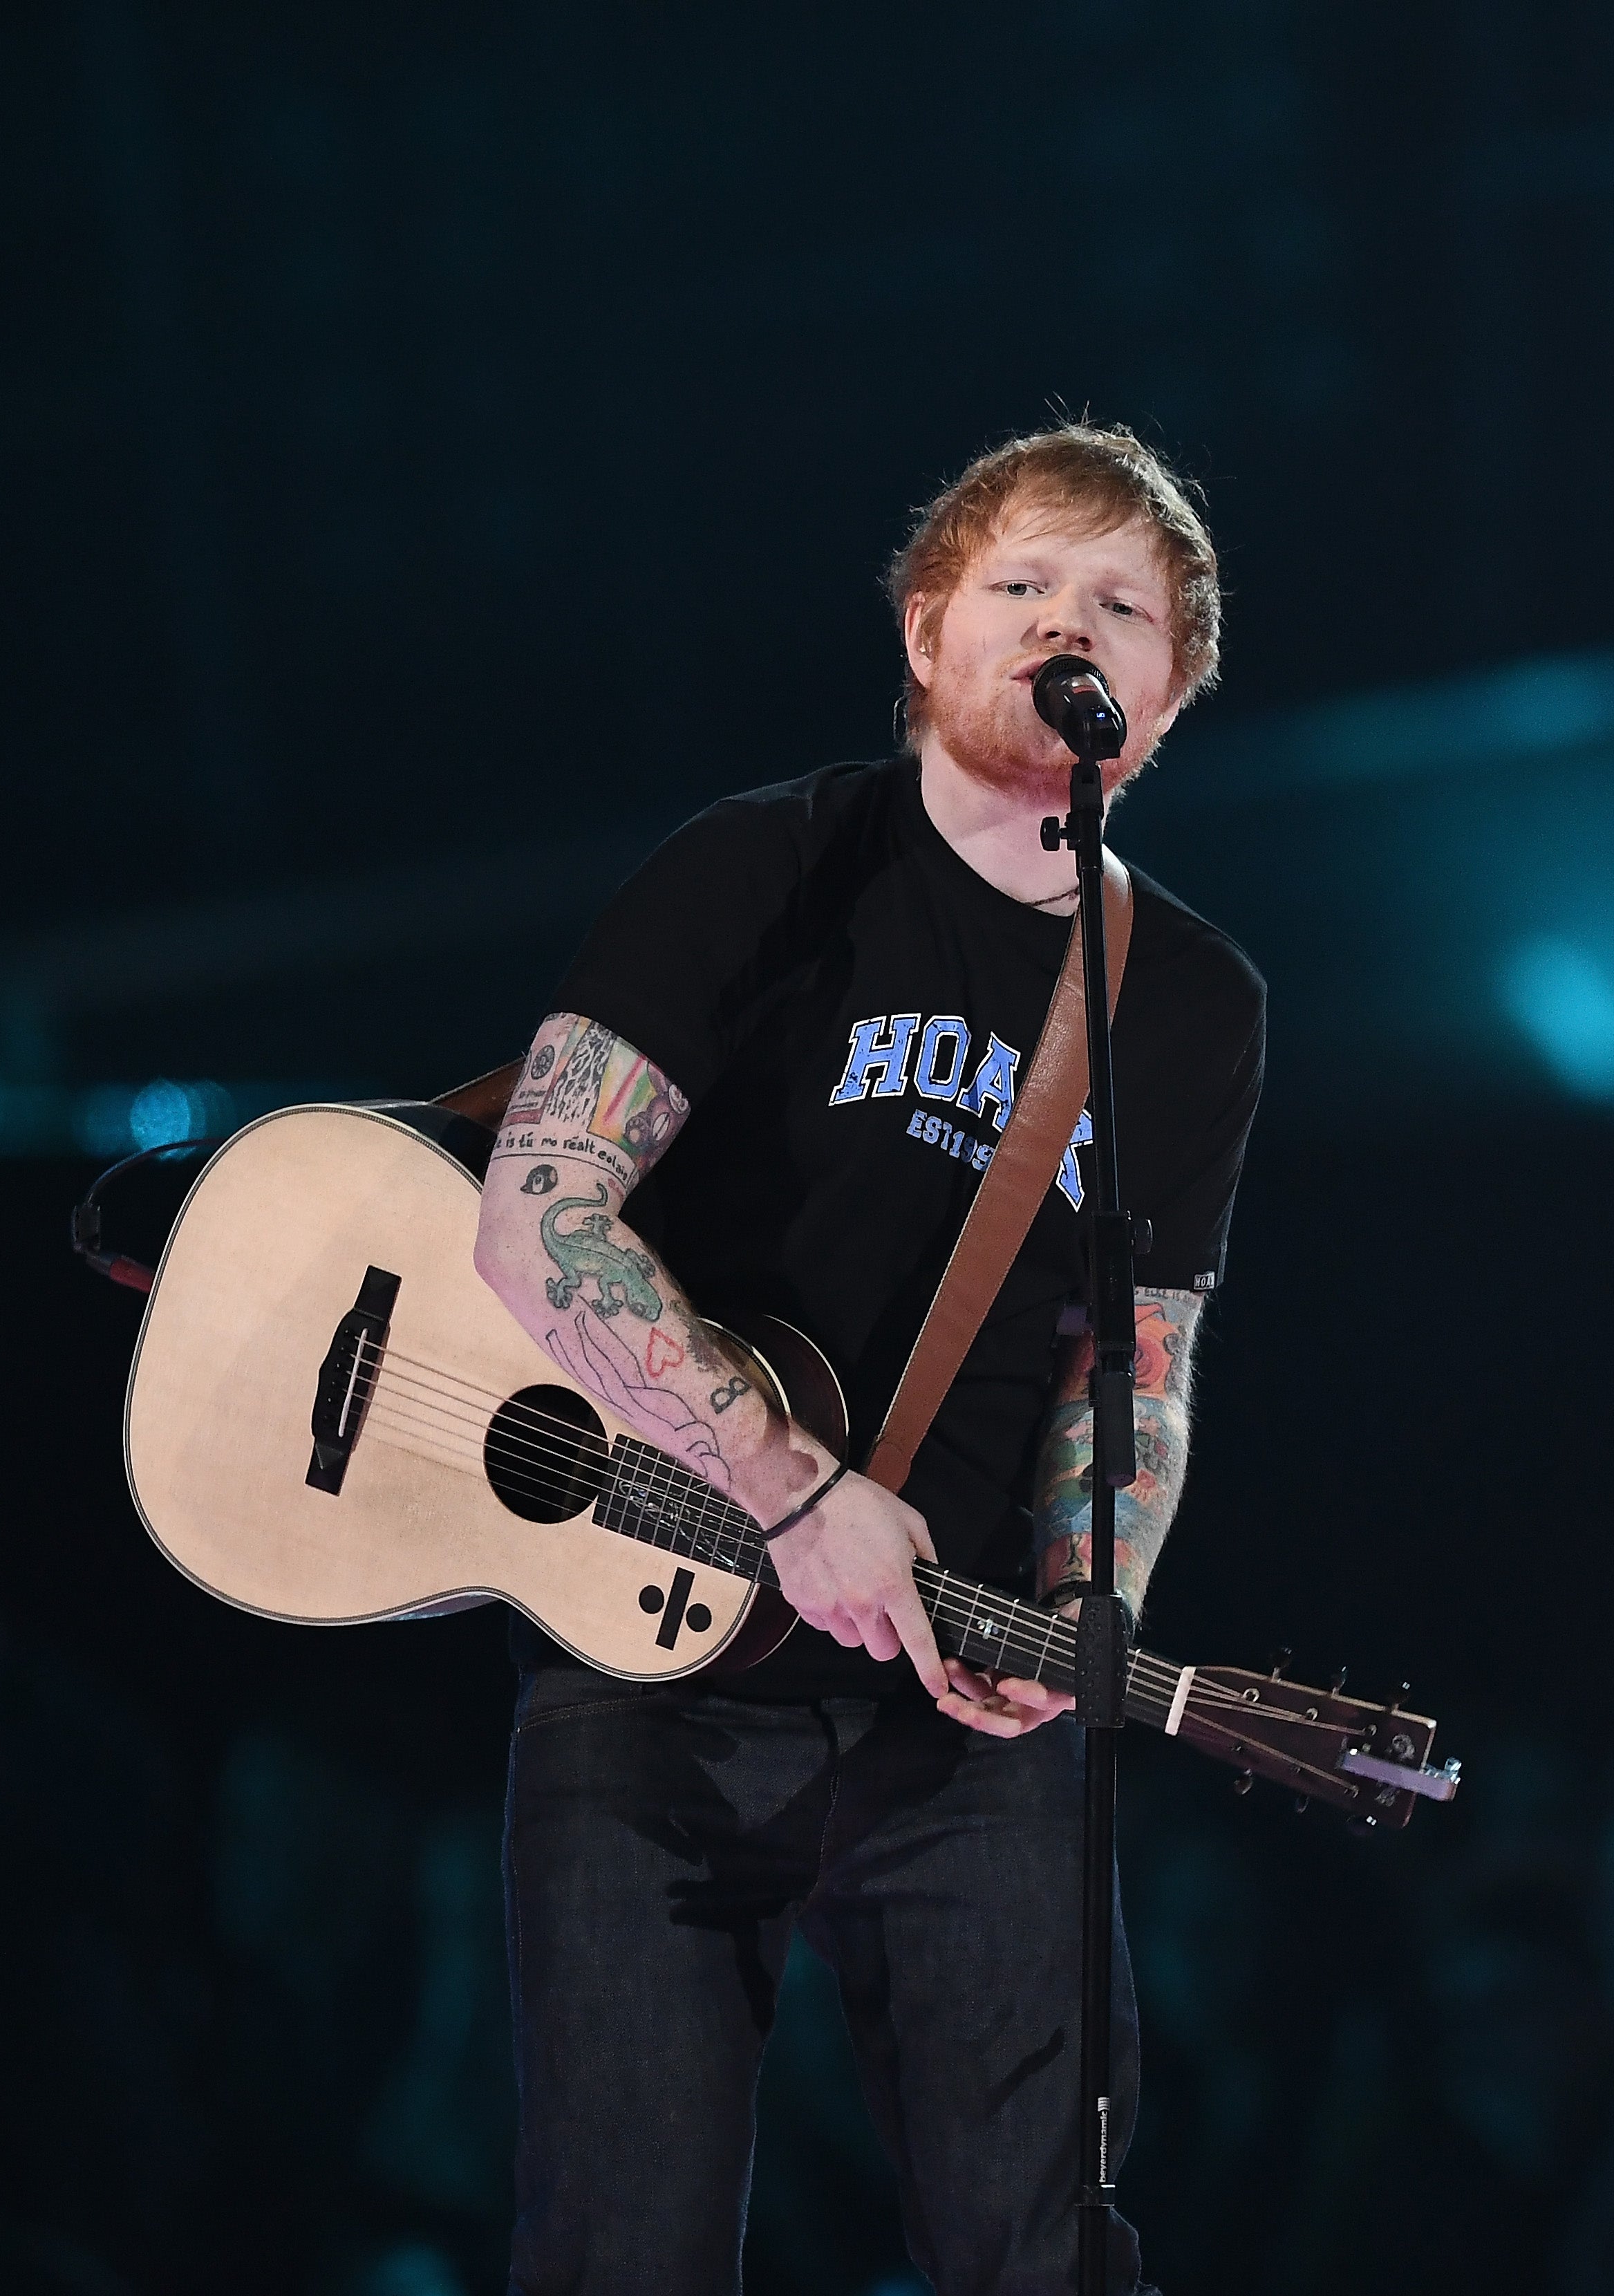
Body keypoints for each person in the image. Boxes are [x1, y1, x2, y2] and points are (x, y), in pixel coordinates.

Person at [465, 422, 1268, 2296]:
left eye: (1120, 606)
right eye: (1020, 585)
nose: (1065, 620)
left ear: (1162, 700)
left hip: (959, 1681)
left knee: (1037, 2248)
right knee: (623, 2243)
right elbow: (539, 1215)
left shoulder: (1199, 1004)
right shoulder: (771, 863)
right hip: (651, 1625)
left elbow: (1135, 1369)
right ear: (924, 635)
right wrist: (797, 1488)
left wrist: (1090, 1609)